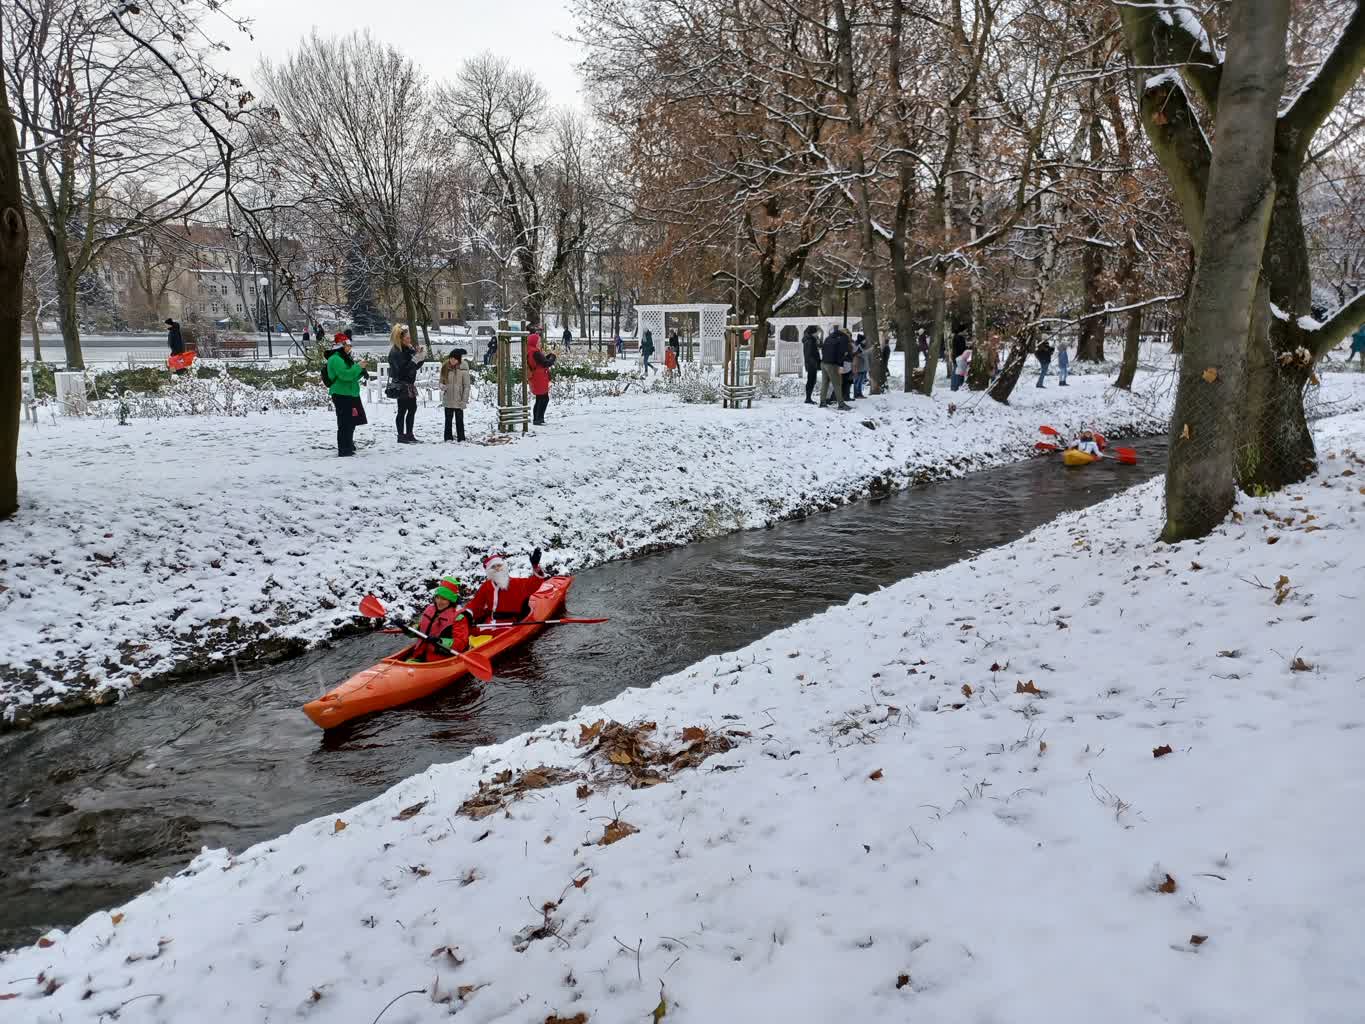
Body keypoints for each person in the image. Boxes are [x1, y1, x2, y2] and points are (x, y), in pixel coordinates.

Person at [462, 551, 549, 624]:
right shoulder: (486, 586)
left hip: (512, 623)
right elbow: (476, 603)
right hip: (491, 622)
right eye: (493, 567)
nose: (497, 569)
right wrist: (467, 613)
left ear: (503, 567)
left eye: (499, 565)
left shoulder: (516, 583)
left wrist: (535, 566)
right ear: (489, 571)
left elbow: (534, 584)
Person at [411, 579, 474, 662]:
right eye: (437, 597)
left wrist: (440, 641)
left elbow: (461, 643)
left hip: (442, 658)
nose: (439, 602)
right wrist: (409, 629)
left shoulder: (459, 617)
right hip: (422, 653)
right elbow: (421, 628)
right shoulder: (430, 609)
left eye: (444, 599)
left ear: (451, 600)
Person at [326, 332, 368, 457]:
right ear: (341, 346)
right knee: (345, 423)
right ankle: (344, 449)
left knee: (351, 422)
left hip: (350, 393)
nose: (350, 348)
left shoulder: (344, 358)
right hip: (341, 394)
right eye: (348, 345)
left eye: (350, 345)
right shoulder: (335, 359)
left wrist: (361, 371)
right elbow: (345, 375)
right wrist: (358, 367)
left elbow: (351, 374)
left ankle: (349, 445)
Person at [388, 323, 426, 443]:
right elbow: (402, 370)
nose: (410, 340)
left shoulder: (408, 349)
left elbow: (415, 366)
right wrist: (415, 359)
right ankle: (401, 435)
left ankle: (409, 434)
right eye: (407, 338)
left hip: (409, 383)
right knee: (402, 410)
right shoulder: (395, 352)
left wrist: (420, 356)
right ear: (400, 339)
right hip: (401, 384)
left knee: (412, 409)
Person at [441, 348, 470, 442]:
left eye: (455, 359)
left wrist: (464, 401)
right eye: (451, 358)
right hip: (448, 398)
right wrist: (442, 386)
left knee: (459, 421)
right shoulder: (445, 368)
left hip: (459, 400)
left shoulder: (463, 370)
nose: (452, 360)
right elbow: (441, 381)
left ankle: (461, 438)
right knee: (448, 420)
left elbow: (466, 387)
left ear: (459, 360)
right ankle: (448, 438)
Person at [528, 327, 555, 425]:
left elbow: (540, 360)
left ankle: (538, 418)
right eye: (538, 341)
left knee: (540, 398)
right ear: (534, 341)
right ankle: (538, 419)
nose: (539, 342)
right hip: (540, 377)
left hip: (536, 376)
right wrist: (552, 357)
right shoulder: (535, 352)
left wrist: (547, 357)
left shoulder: (530, 350)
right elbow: (545, 363)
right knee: (543, 398)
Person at [820, 327, 852, 410]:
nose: (849, 335)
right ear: (845, 333)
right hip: (832, 364)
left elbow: (823, 350)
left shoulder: (828, 337)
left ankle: (822, 402)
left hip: (823, 363)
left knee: (825, 383)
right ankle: (841, 404)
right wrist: (841, 365)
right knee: (837, 384)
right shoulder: (844, 338)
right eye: (848, 333)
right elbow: (842, 353)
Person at [801, 325, 821, 404]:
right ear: (813, 332)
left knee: (812, 380)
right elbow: (809, 353)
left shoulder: (811, 339)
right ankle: (808, 398)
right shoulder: (810, 341)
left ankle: (808, 398)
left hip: (811, 363)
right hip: (811, 363)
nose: (818, 334)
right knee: (811, 380)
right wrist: (815, 363)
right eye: (817, 332)